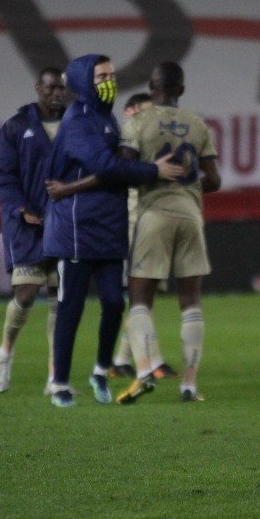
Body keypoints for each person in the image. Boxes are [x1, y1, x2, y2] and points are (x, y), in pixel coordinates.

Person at [42, 54, 183, 408]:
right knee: (70, 307)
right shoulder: (78, 120)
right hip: (76, 226)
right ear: (84, 80)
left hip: (108, 225)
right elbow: (105, 165)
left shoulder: (106, 118)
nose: (109, 81)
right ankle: (59, 382)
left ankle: (100, 371)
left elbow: (115, 168)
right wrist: (152, 171)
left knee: (112, 302)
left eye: (111, 75)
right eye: (101, 75)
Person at [113, 61, 222, 404]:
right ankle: (188, 386)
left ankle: (144, 371)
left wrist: (152, 173)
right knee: (190, 302)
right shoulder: (198, 124)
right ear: (182, 90)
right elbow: (215, 181)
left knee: (140, 300)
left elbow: (123, 170)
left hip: (153, 215)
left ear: (151, 85)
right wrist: (187, 182)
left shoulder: (138, 122)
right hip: (191, 215)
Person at [0, 67, 67, 394]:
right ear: (38, 88)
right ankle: (6, 351)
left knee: (59, 299)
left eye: (61, 89)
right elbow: (3, 178)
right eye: (50, 88)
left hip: (64, 224)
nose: (55, 94)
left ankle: (54, 376)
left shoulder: (76, 124)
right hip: (27, 225)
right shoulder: (15, 127)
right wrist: (22, 210)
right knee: (25, 294)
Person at [108, 93, 154, 379]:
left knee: (147, 291)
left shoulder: (148, 139)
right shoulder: (118, 141)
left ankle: (126, 358)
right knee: (138, 291)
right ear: (129, 111)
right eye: (144, 113)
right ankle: (137, 360)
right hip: (128, 219)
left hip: (150, 218)